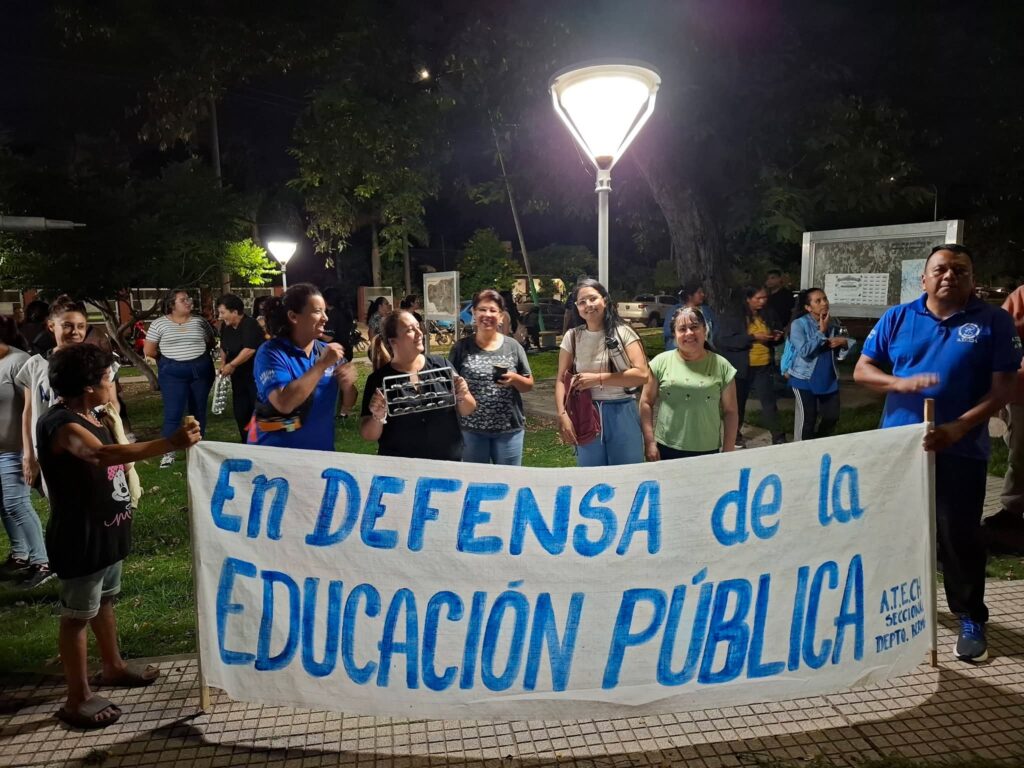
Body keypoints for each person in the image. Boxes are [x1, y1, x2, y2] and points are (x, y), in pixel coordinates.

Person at [854, 244, 1020, 663]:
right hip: (899, 449)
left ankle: (970, 617)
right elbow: (863, 369)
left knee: (958, 536)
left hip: (961, 449)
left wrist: (960, 426)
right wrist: (897, 384)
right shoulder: (898, 317)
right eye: (941, 269)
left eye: (960, 270)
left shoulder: (993, 321)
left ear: (972, 279)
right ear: (924, 278)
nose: (950, 276)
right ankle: (892, 612)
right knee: (895, 533)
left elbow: (1005, 387)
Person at [37, 343, 200, 729]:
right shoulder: (61, 425)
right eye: (109, 378)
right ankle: (77, 698)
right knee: (77, 616)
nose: (114, 384)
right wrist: (170, 443)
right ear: (89, 386)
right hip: (81, 538)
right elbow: (100, 455)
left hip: (107, 532)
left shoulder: (92, 414)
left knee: (104, 602)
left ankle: (113, 666)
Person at [251, 283, 358, 452]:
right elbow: (283, 403)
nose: (325, 318)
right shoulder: (271, 352)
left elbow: (348, 403)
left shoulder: (326, 351)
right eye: (317, 311)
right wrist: (321, 366)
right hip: (275, 454)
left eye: (325, 311)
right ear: (294, 316)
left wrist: (348, 386)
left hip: (319, 454)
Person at [554, 279, 649, 466]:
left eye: (593, 299)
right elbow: (560, 380)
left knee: (626, 473)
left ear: (604, 300)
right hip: (586, 413)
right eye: (582, 302)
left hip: (622, 411)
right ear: (577, 307)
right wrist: (562, 414)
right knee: (591, 475)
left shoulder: (624, 332)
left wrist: (598, 379)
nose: (588, 305)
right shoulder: (572, 337)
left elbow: (642, 375)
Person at [361, 310, 476, 460]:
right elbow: (368, 435)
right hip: (402, 467)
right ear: (393, 341)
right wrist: (377, 417)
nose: (419, 333)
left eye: (418, 326)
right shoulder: (378, 380)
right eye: (410, 330)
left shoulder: (441, 365)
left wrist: (463, 394)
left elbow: (468, 409)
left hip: (447, 464)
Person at [642, 306, 738, 460]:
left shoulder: (722, 366)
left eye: (694, 327)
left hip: (707, 449)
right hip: (666, 447)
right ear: (674, 335)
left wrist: (728, 450)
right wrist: (649, 442)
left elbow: (730, 411)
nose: (689, 333)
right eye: (682, 329)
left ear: (705, 330)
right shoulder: (660, 363)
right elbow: (646, 402)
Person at [449, 290, 533, 464]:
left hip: (509, 430)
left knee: (508, 479)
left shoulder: (513, 346)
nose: (487, 314)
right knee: (476, 479)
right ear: (474, 313)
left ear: (501, 316)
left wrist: (515, 379)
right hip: (470, 429)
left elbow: (528, 384)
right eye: (482, 309)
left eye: (493, 310)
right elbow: (449, 385)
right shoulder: (461, 347)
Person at [17, 296, 91, 493]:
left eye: (81, 326)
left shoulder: (95, 363)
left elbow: (111, 405)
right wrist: (29, 455)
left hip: (88, 445)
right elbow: (28, 412)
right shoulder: (35, 365)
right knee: (59, 502)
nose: (75, 332)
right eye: (67, 326)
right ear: (51, 326)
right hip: (49, 449)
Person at [0, 316, 53, 589]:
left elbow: (30, 411)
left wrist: (29, 453)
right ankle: (20, 555)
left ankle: (43, 562)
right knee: (4, 506)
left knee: (16, 504)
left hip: (14, 448)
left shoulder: (18, 361)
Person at [143, 289, 216, 467]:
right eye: (183, 300)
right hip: (173, 374)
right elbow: (149, 350)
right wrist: (170, 362)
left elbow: (210, 342)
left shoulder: (200, 322)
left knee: (198, 411)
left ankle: (197, 448)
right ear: (171, 305)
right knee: (173, 413)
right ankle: (168, 451)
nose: (188, 302)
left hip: (200, 372)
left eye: (189, 299)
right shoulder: (159, 324)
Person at [716, 287, 786, 447]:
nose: (763, 301)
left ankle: (778, 435)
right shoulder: (734, 316)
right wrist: (752, 337)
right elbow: (723, 340)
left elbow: (777, 331)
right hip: (741, 367)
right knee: (738, 403)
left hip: (763, 366)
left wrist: (776, 337)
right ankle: (735, 434)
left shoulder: (768, 314)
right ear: (748, 298)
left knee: (769, 403)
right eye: (758, 298)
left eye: (765, 298)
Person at [986, 283, 1024, 550]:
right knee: (1020, 453)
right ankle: (1012, 512)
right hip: (1021, 392)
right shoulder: (1021, 295)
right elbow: (999, 334)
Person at [787, 288, 853, 441]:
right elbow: (804, 351)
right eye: (818, 301)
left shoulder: (834, 322)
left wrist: (843, 343)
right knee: (808, 421)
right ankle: (804, 450)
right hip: (804, 379)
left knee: (832, 417)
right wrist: (820, 333)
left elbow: (845, 346)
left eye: (825, 299)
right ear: (808, 307)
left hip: (828, 378)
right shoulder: (799, 324)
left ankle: (818, 444)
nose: (824, 303)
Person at [215, 295, 264, 441]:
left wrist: (232, 365)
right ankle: (245, 442)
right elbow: (223, 347)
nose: (220, 316)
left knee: (256, 410)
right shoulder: (226, 327)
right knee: (241, 412)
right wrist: (223, 363)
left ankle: (261, 442)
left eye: (223, 312)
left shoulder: (250, 324)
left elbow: (249, 350)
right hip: (238, 377)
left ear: (235, 312)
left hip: (255, 376)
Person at [664, 281, 717, 351]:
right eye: (699, 292)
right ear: (690, 296)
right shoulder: (675, 310)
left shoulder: (707, 311)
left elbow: (716, 332)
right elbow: (668, 332)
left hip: (704, 351)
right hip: (681, 351)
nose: (703, 295)